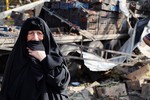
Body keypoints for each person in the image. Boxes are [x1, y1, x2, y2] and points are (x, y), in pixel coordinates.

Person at [0, 17, 70, 100]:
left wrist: (45, 60)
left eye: (39, 33)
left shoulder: (54, 57)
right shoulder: (17, 59)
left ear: (45, 36)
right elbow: (7, 88)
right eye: (31, 33)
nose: (35, 38)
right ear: (25, 36)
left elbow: (61, 83)